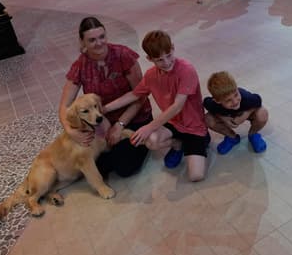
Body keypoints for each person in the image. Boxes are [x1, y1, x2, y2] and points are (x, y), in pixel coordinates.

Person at [105, 30, 210, 182]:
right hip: (173, 123)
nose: (166, 63)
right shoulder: (150, 75)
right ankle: (177, 145)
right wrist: (105, 108)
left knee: (196, 176)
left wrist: (149, 126)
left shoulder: (187, 69)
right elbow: (134, 94)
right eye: (159, 60)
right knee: (151, 141)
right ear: (149, 58)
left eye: (168, 55)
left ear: (173, 48)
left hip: (194, 126)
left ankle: (200, 140)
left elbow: (177, 106)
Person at [58, 17, 151, 178]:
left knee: (124, 167)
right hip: (102, 122)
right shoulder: (80, 65)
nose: (99, 43)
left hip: (134, 117)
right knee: (83, 163)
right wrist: (70, 131)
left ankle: (142, 141)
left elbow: (141, 95)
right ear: (82, 42)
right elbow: (64, 106)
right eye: (92, 40)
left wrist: (120, 124)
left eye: (102, 37)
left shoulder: (123, 55)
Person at [203, 71, 268, 155]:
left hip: (246, 112)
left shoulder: (246, 97)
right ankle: (232, 137)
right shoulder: (213, 104)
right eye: (228, 100)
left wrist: (245, 114)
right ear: (217, 101)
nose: (235, 101)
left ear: (237, 89)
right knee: (208, 119)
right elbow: (205, 102)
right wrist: (222, 117)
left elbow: (258, 100)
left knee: (262, 113)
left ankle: (253, 134)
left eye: (236, 94)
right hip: (227, 115)